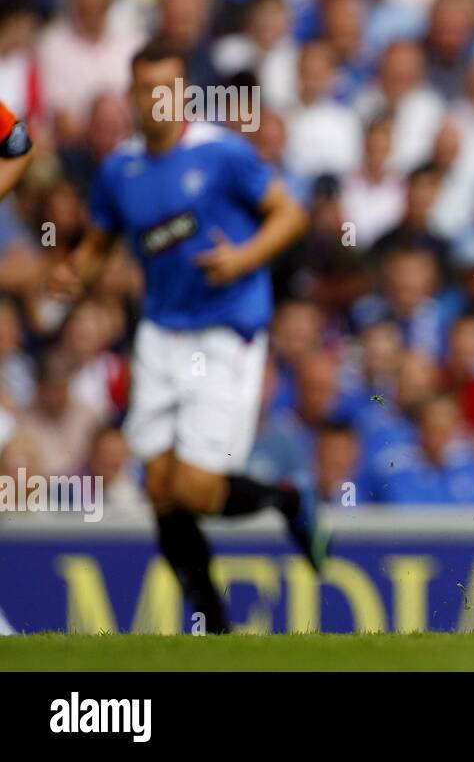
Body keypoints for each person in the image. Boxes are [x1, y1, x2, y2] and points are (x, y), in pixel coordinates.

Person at [50, 40, 316, 634]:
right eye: (146, 90)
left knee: (193, 486)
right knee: (161, 489)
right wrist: (75, 271)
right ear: (131, 96)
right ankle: (215, 626)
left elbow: (290, 214)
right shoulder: (120, 169)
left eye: (168, 88)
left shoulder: (221, 153)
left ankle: (289, 499)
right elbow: (99, 241)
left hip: (224, 330)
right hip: (161, 334)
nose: (157, 100)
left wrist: (243, 258)